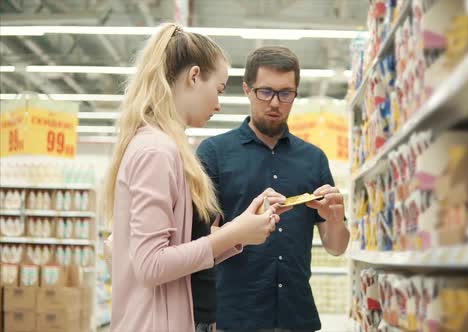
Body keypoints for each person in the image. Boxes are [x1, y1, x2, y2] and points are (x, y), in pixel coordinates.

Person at [104, 24, 282, 332]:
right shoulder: (157, 151)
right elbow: (151, 265)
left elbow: (171, 251)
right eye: (220, 89)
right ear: (194, 76)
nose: (218, 104)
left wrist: (240, 231)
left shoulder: (161, 146)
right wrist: (231, 234)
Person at [196, 46, 350, 332]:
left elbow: (336, 247)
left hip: (296, 316)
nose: (275, 103)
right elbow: (200, 245)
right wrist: (243, 229)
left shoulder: (313, 158)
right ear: (246, 89)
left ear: (295, 92)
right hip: (233, 317)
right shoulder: (214, 153)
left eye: (285, 93)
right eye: (265, 92)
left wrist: (335, 218)